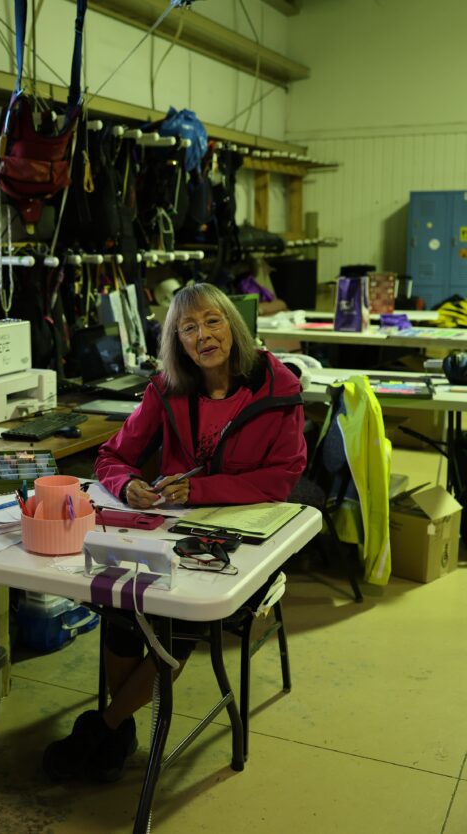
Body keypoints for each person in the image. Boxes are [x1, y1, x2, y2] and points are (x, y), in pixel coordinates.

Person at [43, 282, 307, 783]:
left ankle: (105, 728)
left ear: (232, 325)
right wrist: (129, 484)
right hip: (169, 530)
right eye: (189, 328)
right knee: (118, 604)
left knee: (174, 619)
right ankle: (117, 732)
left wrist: (201, 489)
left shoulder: (277, 388)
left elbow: (283, 478)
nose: (203, 335)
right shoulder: (166, 389)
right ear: (177, 341)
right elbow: (111, 457)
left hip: (243, 541)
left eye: (212, 321)